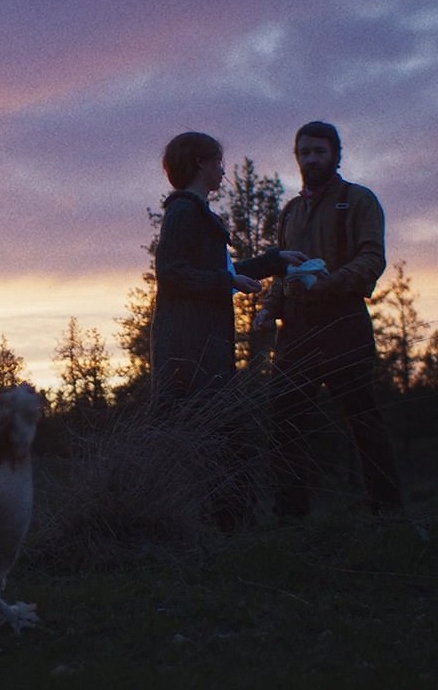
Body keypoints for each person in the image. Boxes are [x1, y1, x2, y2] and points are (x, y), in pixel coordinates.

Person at [256, 121, 404, 516]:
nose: (311, 159)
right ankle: (290, 519)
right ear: (297, 158)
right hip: (298, 326)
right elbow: (281, 272)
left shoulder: (359, 200)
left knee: (362, 419)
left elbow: (373, 258)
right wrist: (271, 308)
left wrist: (331, 283)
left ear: (336, 155)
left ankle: (388, 514)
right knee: (285, 418)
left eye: (319, 151)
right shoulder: (289, 211)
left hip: (343, 318)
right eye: (304, 152)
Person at [152, 131, 305, 400]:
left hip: (204, 345)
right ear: (201, 163)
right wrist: (227, 281)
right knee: (204, 432)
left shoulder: (196, 213)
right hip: (190, 351)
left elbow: (222, 274)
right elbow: (170, 273)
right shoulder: (183, 212)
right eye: (219, 162)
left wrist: (274, 261)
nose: (223, 172)